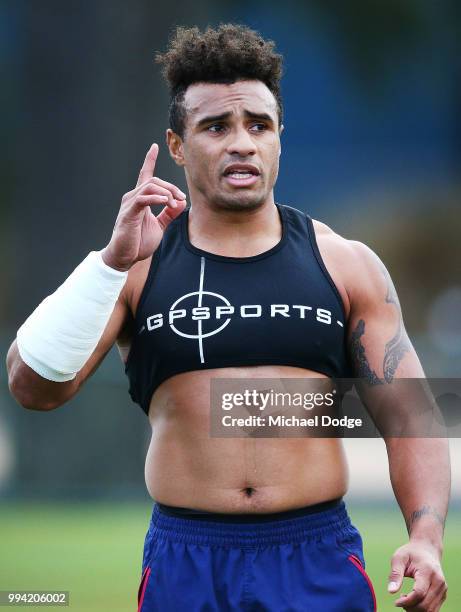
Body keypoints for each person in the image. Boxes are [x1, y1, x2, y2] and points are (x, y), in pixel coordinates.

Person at [6, 23, 450, 612]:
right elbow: (32, 388)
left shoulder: (346, 265)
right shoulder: (136, 269)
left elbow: (409, 413)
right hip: (186, 558)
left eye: (258, 126)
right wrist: (109, 263)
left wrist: (426, 537)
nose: (242, 142)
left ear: (279, 139)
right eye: (217, 127)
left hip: (315, 554)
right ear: (178, 145)